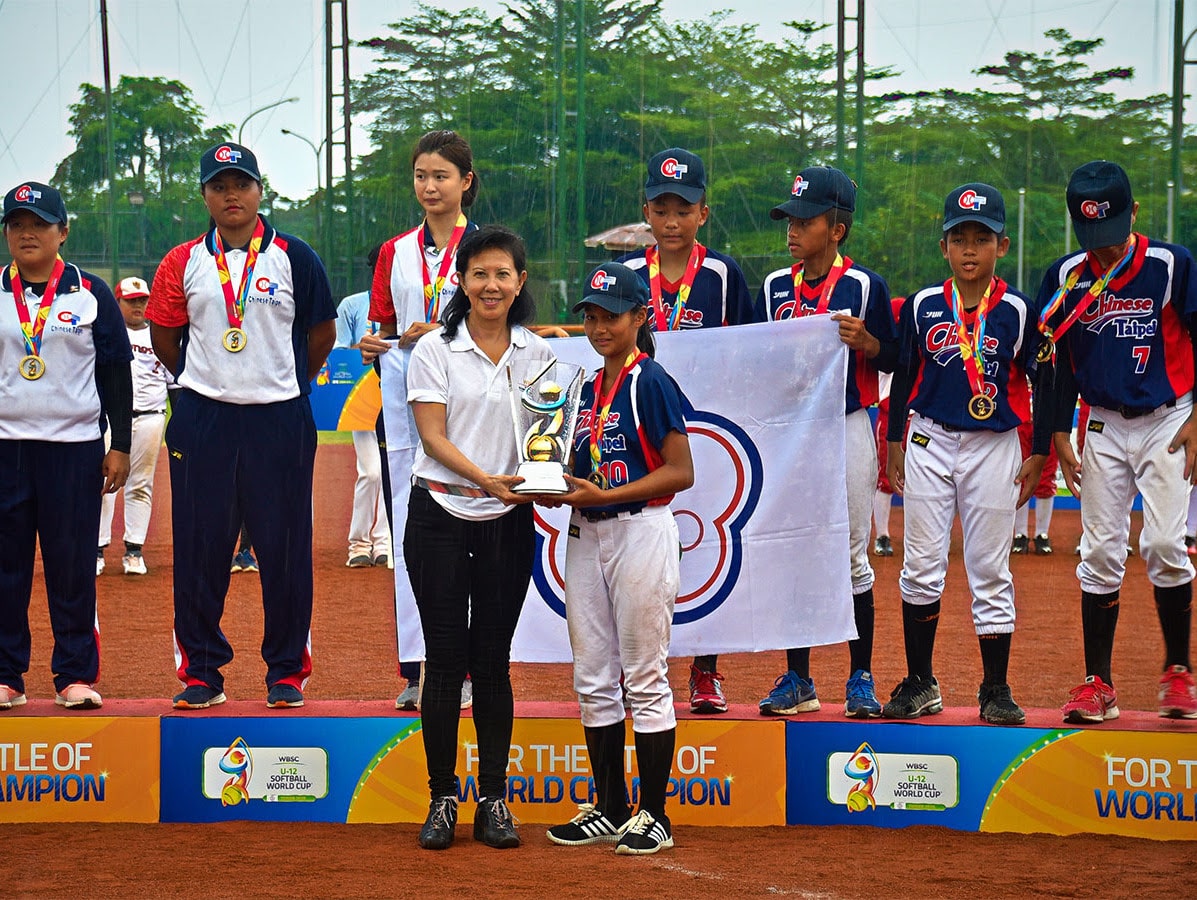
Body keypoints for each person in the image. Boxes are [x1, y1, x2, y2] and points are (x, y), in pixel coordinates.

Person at [147, 141, 336, 710]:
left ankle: (285, 671)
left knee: (283, 551)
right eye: (219, 186)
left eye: (241, 184)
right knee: (200, 550)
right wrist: (200, 381)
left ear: (260, 190)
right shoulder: (181, 260)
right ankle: (202, 671)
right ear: (205, 195)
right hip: (204, 419)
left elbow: (321, 334)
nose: (231, 194)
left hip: (279, 418)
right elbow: (163, 332)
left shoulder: (295, 255)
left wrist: (282, 382)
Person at [404, 225, 554, 851]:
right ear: (461, 281)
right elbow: (433, 438)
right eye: (479, 274)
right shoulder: (434, 351)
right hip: (438, 515)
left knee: (492, 662)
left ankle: (493, 799)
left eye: (503, 274)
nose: (491, 285)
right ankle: (442, 798)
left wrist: (540, 479)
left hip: (507, 521)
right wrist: (484, 480)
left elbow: (546, 438)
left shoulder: (538, 354)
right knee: (443, 660)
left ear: (520, 282)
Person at [884, 182, 1049, 726]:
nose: (971, 249)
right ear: (944, 247)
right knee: (921, 567)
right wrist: (893, 442)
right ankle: (920, 682)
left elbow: (1043, 379)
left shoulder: (1019, 311)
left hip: (994, 446)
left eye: (983, 238)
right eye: (960, 238)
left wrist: (1039, 449)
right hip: (929, 439)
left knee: (989, 569)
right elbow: (905, 374)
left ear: (1002, 246)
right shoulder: (925, 306)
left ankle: (995, 689)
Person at [1039, 160, 1197, 723]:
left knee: (1162, 545)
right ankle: (1097, 683)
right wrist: (1057, 430)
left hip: (1167, 419)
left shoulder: (1170, 265)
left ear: (1134, 213)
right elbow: (1051, 363)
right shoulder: (1064, 276)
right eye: (1090, 238)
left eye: (1109, 235)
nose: (1100, 250)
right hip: (1101, 423)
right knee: (1100, 551)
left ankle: (1178, 669)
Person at [545, 262, 693, 855]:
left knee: (645, 675)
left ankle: (652, 813)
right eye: (591, 315)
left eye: (612, 315)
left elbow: (681, 471)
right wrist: (549, 483)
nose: (599, 325)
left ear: (640, 317)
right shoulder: (586, 385)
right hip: (587, 532)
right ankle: (608, 807)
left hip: (641, 531)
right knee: (593, 677)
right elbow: (580, 465)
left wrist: (602, 493)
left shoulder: (649, 380)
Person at [754, 165, 898, 718]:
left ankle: (860, 676)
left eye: (805, 219)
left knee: (852, 554)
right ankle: (798, 678)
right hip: (790, 432)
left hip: (845, 425)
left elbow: (896, 358)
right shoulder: (772, 287)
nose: (791, 229)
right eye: (788, 218)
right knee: (796, 551)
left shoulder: (864, 286)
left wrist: (868, 343)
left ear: (837, 229)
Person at [616, 146, 754, 715]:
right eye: (661, 208)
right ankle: (637, 667)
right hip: (637, 430)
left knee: (701, 551)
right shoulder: (625, 276)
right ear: (645, 212)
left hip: (705, 432)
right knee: (637, 552)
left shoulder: (722, 275)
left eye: (684, 208)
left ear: (704, 213)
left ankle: (706, 670)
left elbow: (751, 352)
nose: (672, 221)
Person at [0, 180, 131, 711]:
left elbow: (115, 372)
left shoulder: (91, 292)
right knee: (6, 567)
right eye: (16, 224)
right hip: (7, 448)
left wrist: (119, 444)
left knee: (72, 565)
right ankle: (7, 675)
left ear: (63, 231)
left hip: (74, 449)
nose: (27, 233)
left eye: (38, 223)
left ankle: (74, 674)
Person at [362, 129, 479, 712]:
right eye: (421, 176)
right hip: (408, 405)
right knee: (414, 537)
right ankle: (418, 667)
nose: (429, 187)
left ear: (466, 182)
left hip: (473, 402)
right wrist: (374, 341)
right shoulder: (395, 250)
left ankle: (469, 667)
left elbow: (501, 319)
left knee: (473, 536)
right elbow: (384, 325)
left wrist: (440, 331)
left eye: (441, 176)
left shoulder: (487, 246)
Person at [97, 276, 171, 576]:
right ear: (119, 302)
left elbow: (173, 382)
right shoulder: (107, 335)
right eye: (131, 300)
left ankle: (134, 550)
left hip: (150, 416)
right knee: (103, 484)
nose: (138, 305)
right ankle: (97, 549)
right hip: (113, 417)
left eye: (142, 300)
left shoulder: (160, 338)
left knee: (141, 483)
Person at [335, 243, 391, 568]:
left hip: (395, 399)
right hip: (362, 398)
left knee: (389, 471)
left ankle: (383, 543)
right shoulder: (353, 305)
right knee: (370, 472)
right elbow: (341, 350)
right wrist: (366, 346)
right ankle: (358, 543)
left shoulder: (404, 304)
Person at [873, 295, 907, 558]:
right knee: (884, 479)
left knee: (924, 482)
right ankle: (882, 535)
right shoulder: (886, 346)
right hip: (888, 415)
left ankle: (922, 539)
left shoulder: (917, 344)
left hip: (919, 419)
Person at [1011, 411, 1060, 555]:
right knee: (1019, 474)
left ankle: (1042, 534)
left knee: (1047, 473)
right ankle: (1020, 534)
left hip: (1048, 417)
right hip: (1019, 416)